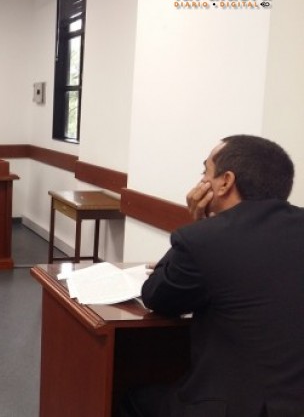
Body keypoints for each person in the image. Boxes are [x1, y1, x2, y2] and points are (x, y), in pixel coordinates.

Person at [120, 135, 304, 417]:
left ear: (225, 182)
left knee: (129, 398)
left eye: (205, 172)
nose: (200, 182)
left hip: (235, 406)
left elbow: (157, 296)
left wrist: (200, 224)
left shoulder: (205, 239)